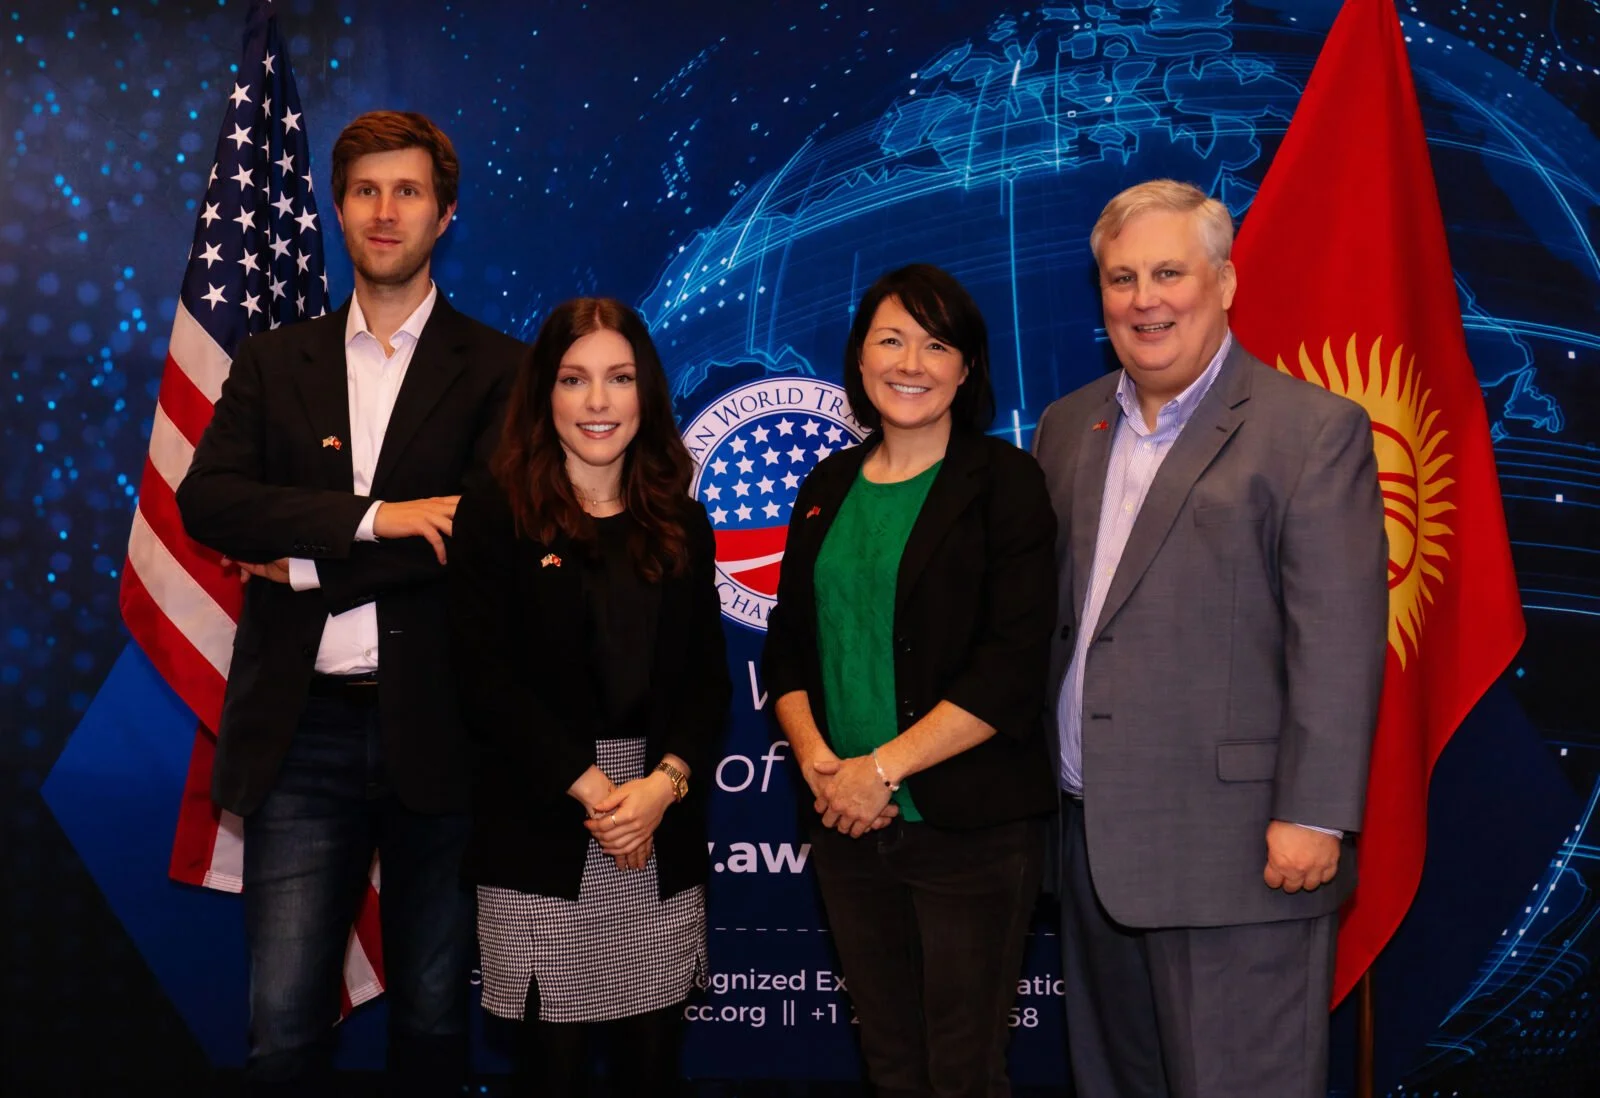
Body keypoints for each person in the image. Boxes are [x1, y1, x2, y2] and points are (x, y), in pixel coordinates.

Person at [176, 111, 522, 1095]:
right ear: (336, 208)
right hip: (300, 737)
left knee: (429, 1016)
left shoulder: (499, 368)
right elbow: (211, 503)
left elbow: (481, 542)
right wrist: (381, 519)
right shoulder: (274, 362)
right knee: (283, 1030)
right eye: (367, 190)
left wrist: (307, 564)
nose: (385, 211)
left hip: (441, 730)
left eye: (408, 191)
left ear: (445, 214)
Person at [1032, 179, 1388, 1098]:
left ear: (1224, 283)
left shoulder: (1312, 432)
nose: (1144, 299)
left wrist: (1314, 816)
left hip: (1242, 854)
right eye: (1120, 278)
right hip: (1090, 844)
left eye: (1167, 272)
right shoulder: (1069, 426)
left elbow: (1339, 643)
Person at [763, 264, 1058, 1098]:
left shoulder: (1006, 484)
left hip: (968, 831)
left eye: (938, 345)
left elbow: (1009, 669)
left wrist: (880, 771)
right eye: (891, 339)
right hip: (846, 827)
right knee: (890, 1064)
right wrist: (824, 763)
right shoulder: (825, 486)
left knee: (962, 1073)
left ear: (968, 369)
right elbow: (787, 649)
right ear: (859, 358)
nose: (912, 363)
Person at [449, 297, 731, 1097]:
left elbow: (708, 684)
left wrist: (660, 789)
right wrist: (602, 795)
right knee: (553, 1077)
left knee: (652, 1072)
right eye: (575, 380)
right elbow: (483, 681)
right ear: (544, 394)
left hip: (655, 829)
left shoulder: (683, 523)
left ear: (647, 394)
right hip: (545, 828)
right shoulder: (494, 517)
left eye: (618, 379)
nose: (598, 402)